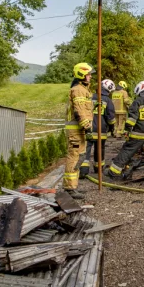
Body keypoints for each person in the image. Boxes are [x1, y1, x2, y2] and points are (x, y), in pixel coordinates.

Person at [63, 62, 94, 199]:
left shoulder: (83, 89)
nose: (90, 76)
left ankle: (72, 186)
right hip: (77, 130)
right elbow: (79, 110)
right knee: (74, 158)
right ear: (81, 74)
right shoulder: (78, 90)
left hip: (79, 130)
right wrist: (87, 128)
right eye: (88, 74)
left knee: (79, 157)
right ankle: (69, 188)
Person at [79, 78, 117, 178]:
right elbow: (111, 118)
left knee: (86, 150)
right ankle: (98, 169)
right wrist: (111, 128)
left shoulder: (90, 97)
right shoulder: (107, 100)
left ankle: (83, 170)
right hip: (101, 130)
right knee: (100, 149)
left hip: (89, 128)